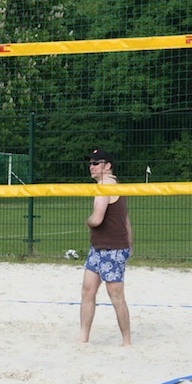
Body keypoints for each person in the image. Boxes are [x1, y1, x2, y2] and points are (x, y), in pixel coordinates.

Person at [79, 148, 133, 346]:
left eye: (96, 163)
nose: (91, 167)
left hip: (112, 249)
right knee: (88, 291)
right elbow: (125, 219)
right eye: (90, 163)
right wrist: (130, 243)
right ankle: (84, 339)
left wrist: (87, 222)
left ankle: (126, 341)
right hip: (100, 247)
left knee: (115, 296)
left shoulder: (104, 184)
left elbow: (97, 219)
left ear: (107, 165)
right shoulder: (115, 184)